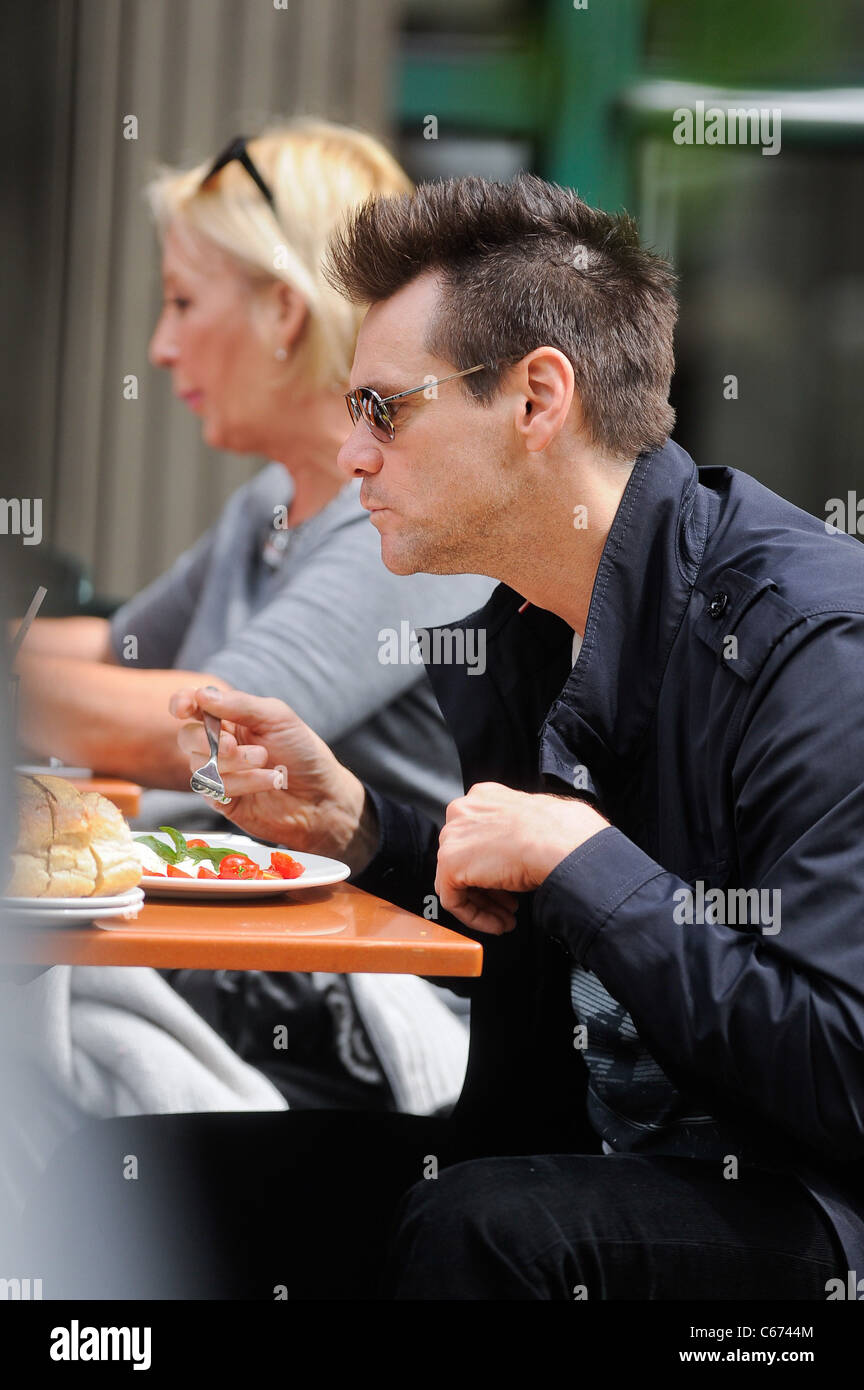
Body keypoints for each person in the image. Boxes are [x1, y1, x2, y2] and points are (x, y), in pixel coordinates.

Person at [165, 171, 862, 1299]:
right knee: (153, 1183)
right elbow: (541, 926)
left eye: (383, 408)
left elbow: (841, 1063)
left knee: (481, 1231)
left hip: (808, 1217)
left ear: (539, 398)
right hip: (573, 1167)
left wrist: (581, 859)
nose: (352, 457)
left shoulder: (814, 643)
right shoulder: (531, 633)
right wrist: (365, 830)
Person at [12, 122, 493, 1113]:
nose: (159, 344)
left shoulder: (405, 520)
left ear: (284, 309)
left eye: (183, 301)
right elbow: (116, 647)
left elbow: (203, 728)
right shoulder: (271, 502)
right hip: (247, 960)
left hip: (364, 1010)